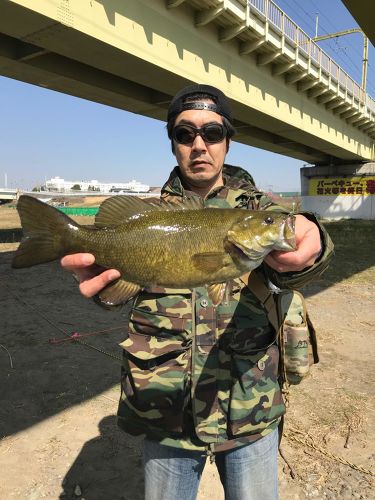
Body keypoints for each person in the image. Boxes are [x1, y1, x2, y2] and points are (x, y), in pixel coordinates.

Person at [61, 84, 333, 500]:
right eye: (185, 134)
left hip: (249, 408)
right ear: (173, 144)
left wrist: (313, 239)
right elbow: (117, 288)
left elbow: (301, 247)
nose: (199, 145)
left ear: (228, 140)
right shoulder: (147, 214)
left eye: (212, 132)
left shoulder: (260, 210)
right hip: (167, 411)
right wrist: (101, 287)